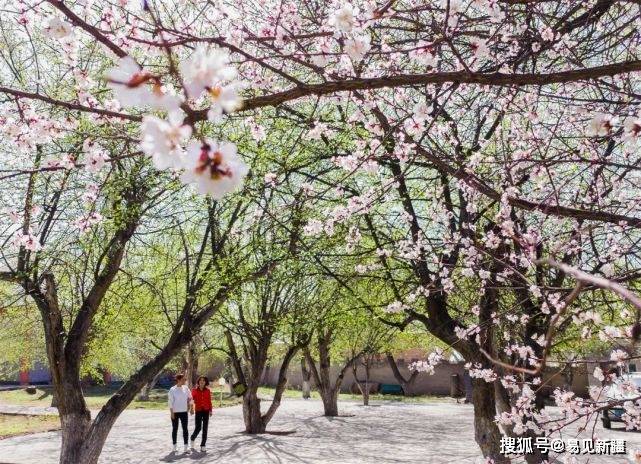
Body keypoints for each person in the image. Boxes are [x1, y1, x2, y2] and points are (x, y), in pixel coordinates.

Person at [168, 373, 193, 453]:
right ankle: (174, 446)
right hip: (175, 412)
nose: (185, 381)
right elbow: (170, 402)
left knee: (185, 429)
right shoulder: (172, 389)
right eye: (183, 379)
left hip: (184, 412)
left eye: (185, 379)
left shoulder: (186, 388)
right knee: (175, 429)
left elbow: (190, 398)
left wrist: (191, 407)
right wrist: (172, 413)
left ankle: (186, 447)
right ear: (178, 380)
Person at [190, 375, 213, 452]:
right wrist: (191, 409)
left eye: (203, 380)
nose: (202, 382)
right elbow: (191, 400)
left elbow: (209, 401)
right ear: (198, 382)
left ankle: (203, 445)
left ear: (205, 382)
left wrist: (210, 410)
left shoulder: (208, 391)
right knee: (198, 427)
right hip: (198, 410)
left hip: (206, 410)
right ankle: (192, 438)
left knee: (205, 428)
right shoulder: (194, 390)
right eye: (200, 380)